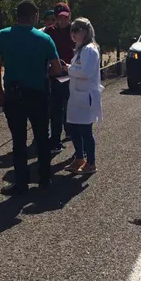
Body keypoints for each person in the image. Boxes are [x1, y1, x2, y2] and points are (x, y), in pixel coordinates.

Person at [0, 0, 62, 195]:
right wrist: (43, 72)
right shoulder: (45, 38)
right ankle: (45, 179)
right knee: (42, 137)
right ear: (33, 16)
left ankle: (21, 183)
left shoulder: (2, 35)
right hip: (39, 94)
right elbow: (56, 68)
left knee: (19, 139)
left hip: (14, 94)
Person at [63, 18, 103, 174]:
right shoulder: (80, 49)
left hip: (86, 96)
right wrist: (69, 67)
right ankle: (79, 158)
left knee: (85, 131)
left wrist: (69, 69)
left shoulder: (90, 50)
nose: (73, 34)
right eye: (72, 30)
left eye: (77, 30)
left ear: (86, 32)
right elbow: (79, 69)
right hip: (76, 96)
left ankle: (91, 163)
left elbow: (85, 73)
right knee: (73, 128)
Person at [44, 2, 76, 153]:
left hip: (74, 74)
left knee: (73, 107)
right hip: (56, 76)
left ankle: (74, 137)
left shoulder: (75, 30)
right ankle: (55, 141)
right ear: (55, 18)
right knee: (56, 109)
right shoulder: (49, 32)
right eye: (60, 18)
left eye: (65, 17)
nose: (63, 20)